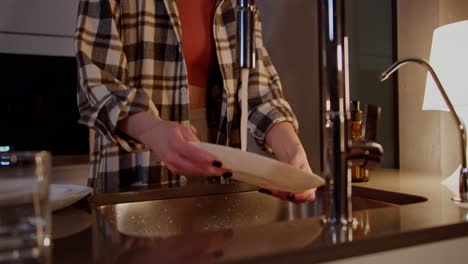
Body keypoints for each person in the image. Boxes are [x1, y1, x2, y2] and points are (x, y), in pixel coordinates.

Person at [75, 0, 316, 202]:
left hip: (213, 169)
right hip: (135, 165)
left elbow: (256, 83)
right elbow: (97, 80)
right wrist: (152, 129)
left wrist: (291, 150)